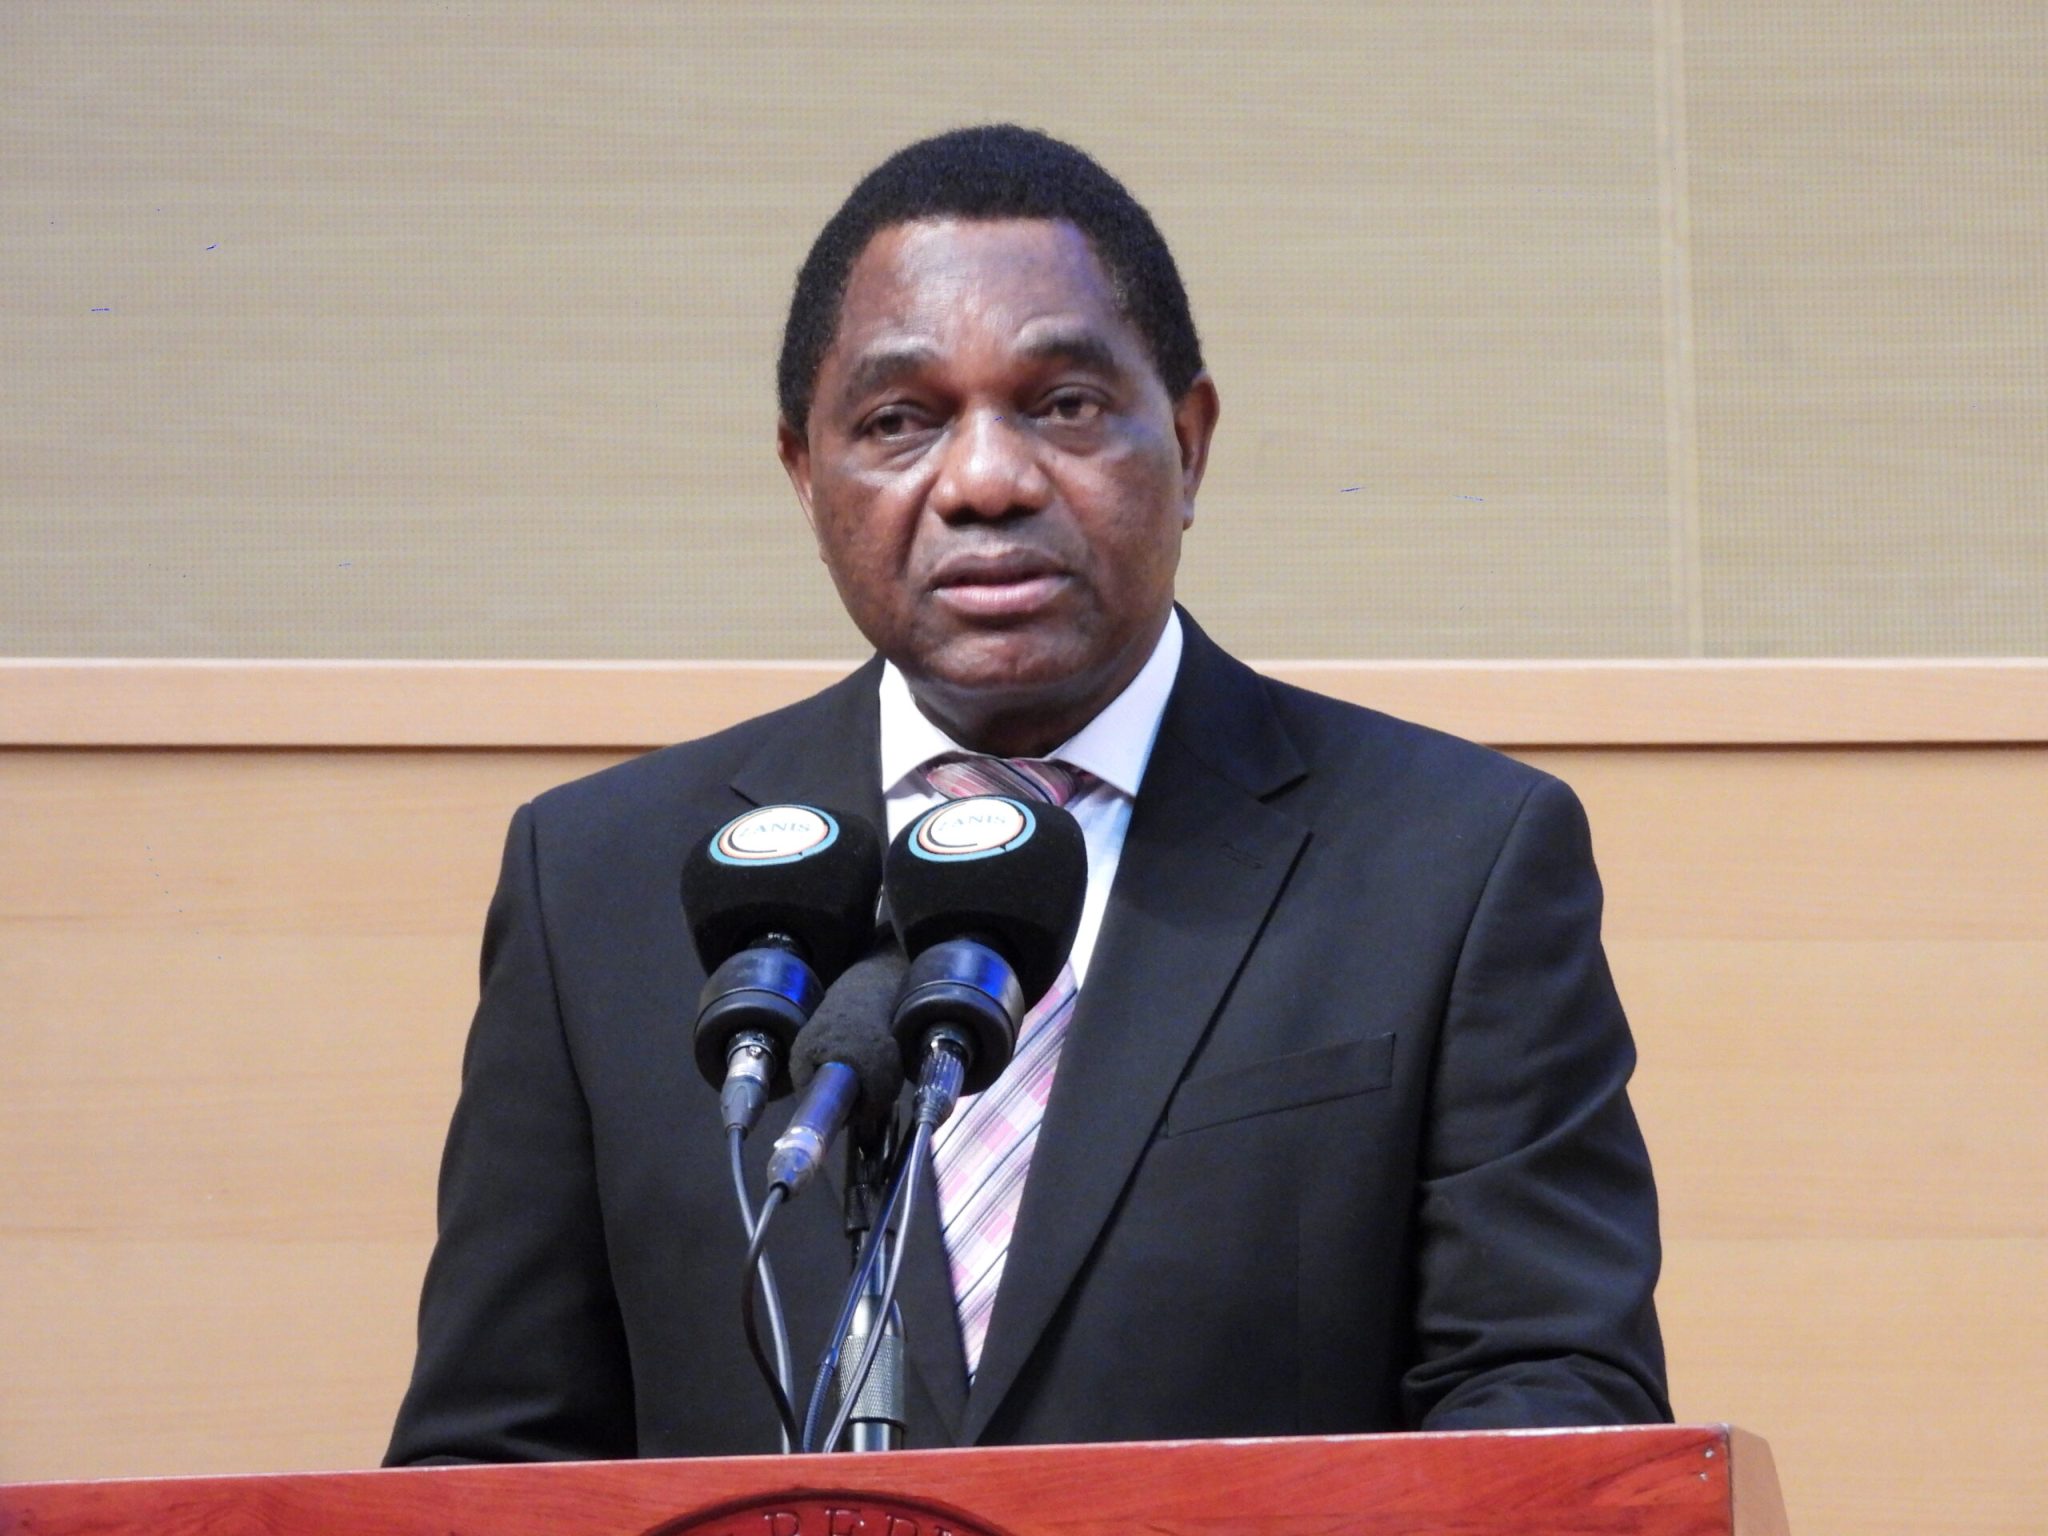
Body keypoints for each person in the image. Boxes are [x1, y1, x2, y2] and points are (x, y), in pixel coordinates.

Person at [386, 125, 1668, 1464]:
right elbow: (491, 1458)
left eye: (1062, 405)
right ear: (804, 474)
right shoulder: (598, 882)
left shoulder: (1452, 860)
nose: (986, 483)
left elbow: (1552, 1415)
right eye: (900, 420)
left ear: (1189, 441)